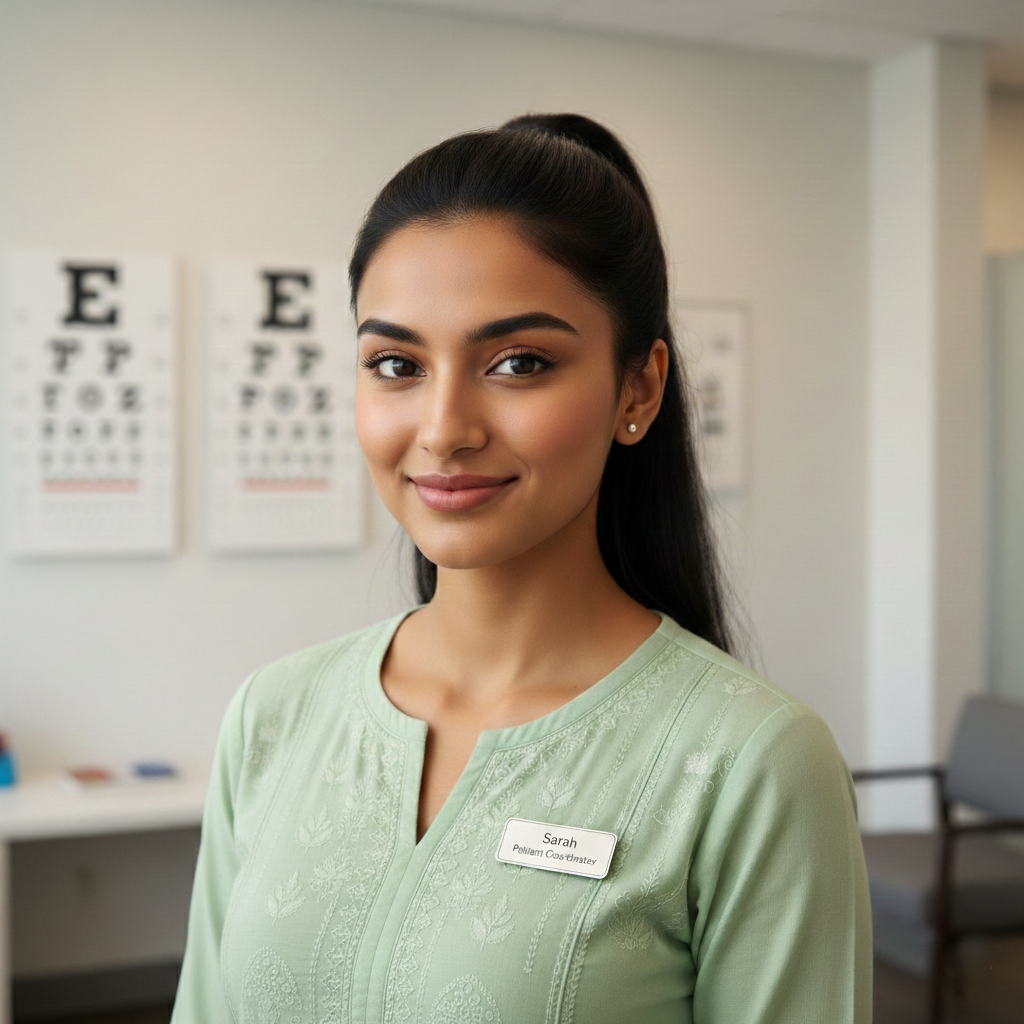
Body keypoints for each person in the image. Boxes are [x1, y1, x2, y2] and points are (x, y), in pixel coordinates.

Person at [171, 114, 871, 1024]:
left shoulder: (749, 764)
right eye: (395, 364)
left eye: (518, 363)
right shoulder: (275, 716)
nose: (443, 428)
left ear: (639, 388)